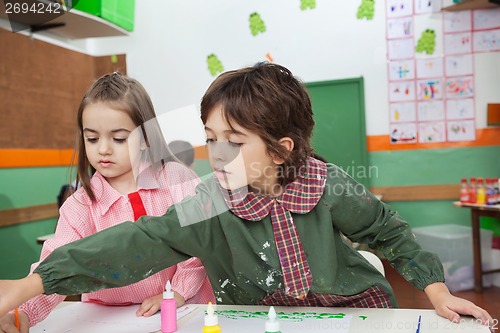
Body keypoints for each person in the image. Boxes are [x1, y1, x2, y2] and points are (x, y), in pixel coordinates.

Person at [0, 63, 493, 326]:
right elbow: (139, 240)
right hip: (255, 322)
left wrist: (437, 290)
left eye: (232, 144)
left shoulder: (324, 183)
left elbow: (388, 232)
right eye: (210, 139)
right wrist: (32, 285)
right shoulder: (211, 199)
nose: (215, 156)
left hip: (351, 315)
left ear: (280, 150)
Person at [0, 72, 214, 332]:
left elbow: (200, 243)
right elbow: (54, 269)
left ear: (146, 137)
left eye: (119, 138)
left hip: (182, 312)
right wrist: (21, 315)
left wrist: (178, 292)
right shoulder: (80, 205)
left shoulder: (176, 179)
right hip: (105, 321)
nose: (103, 149)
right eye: (92, 138)